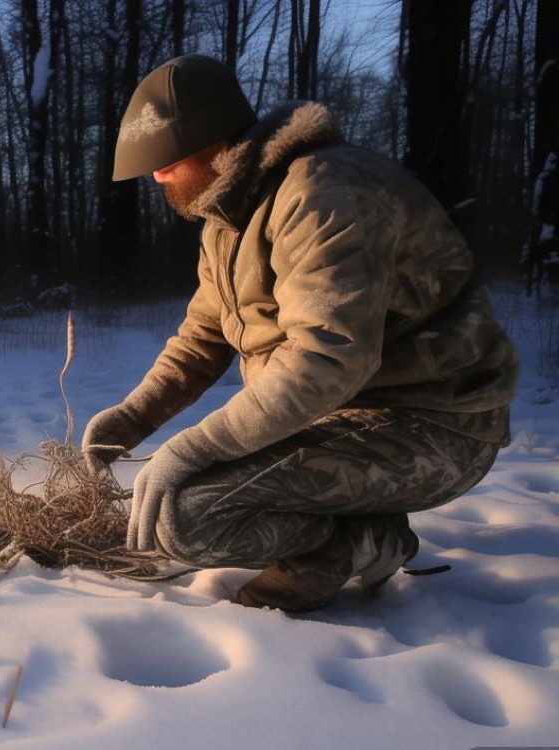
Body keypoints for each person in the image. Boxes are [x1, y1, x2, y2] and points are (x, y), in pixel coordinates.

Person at [82, 54, 518, 612]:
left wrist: (193, 446)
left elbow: (327, 357)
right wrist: (131, 417)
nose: (157, 175)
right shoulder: (229, 215)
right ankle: (353, 526)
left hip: (437, 425)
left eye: (166, 160)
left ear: (212, 139)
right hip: (342, 417)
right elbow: (203, 336)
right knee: (176, 502)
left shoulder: (325, 194)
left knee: (184, 514)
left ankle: (360, 542)